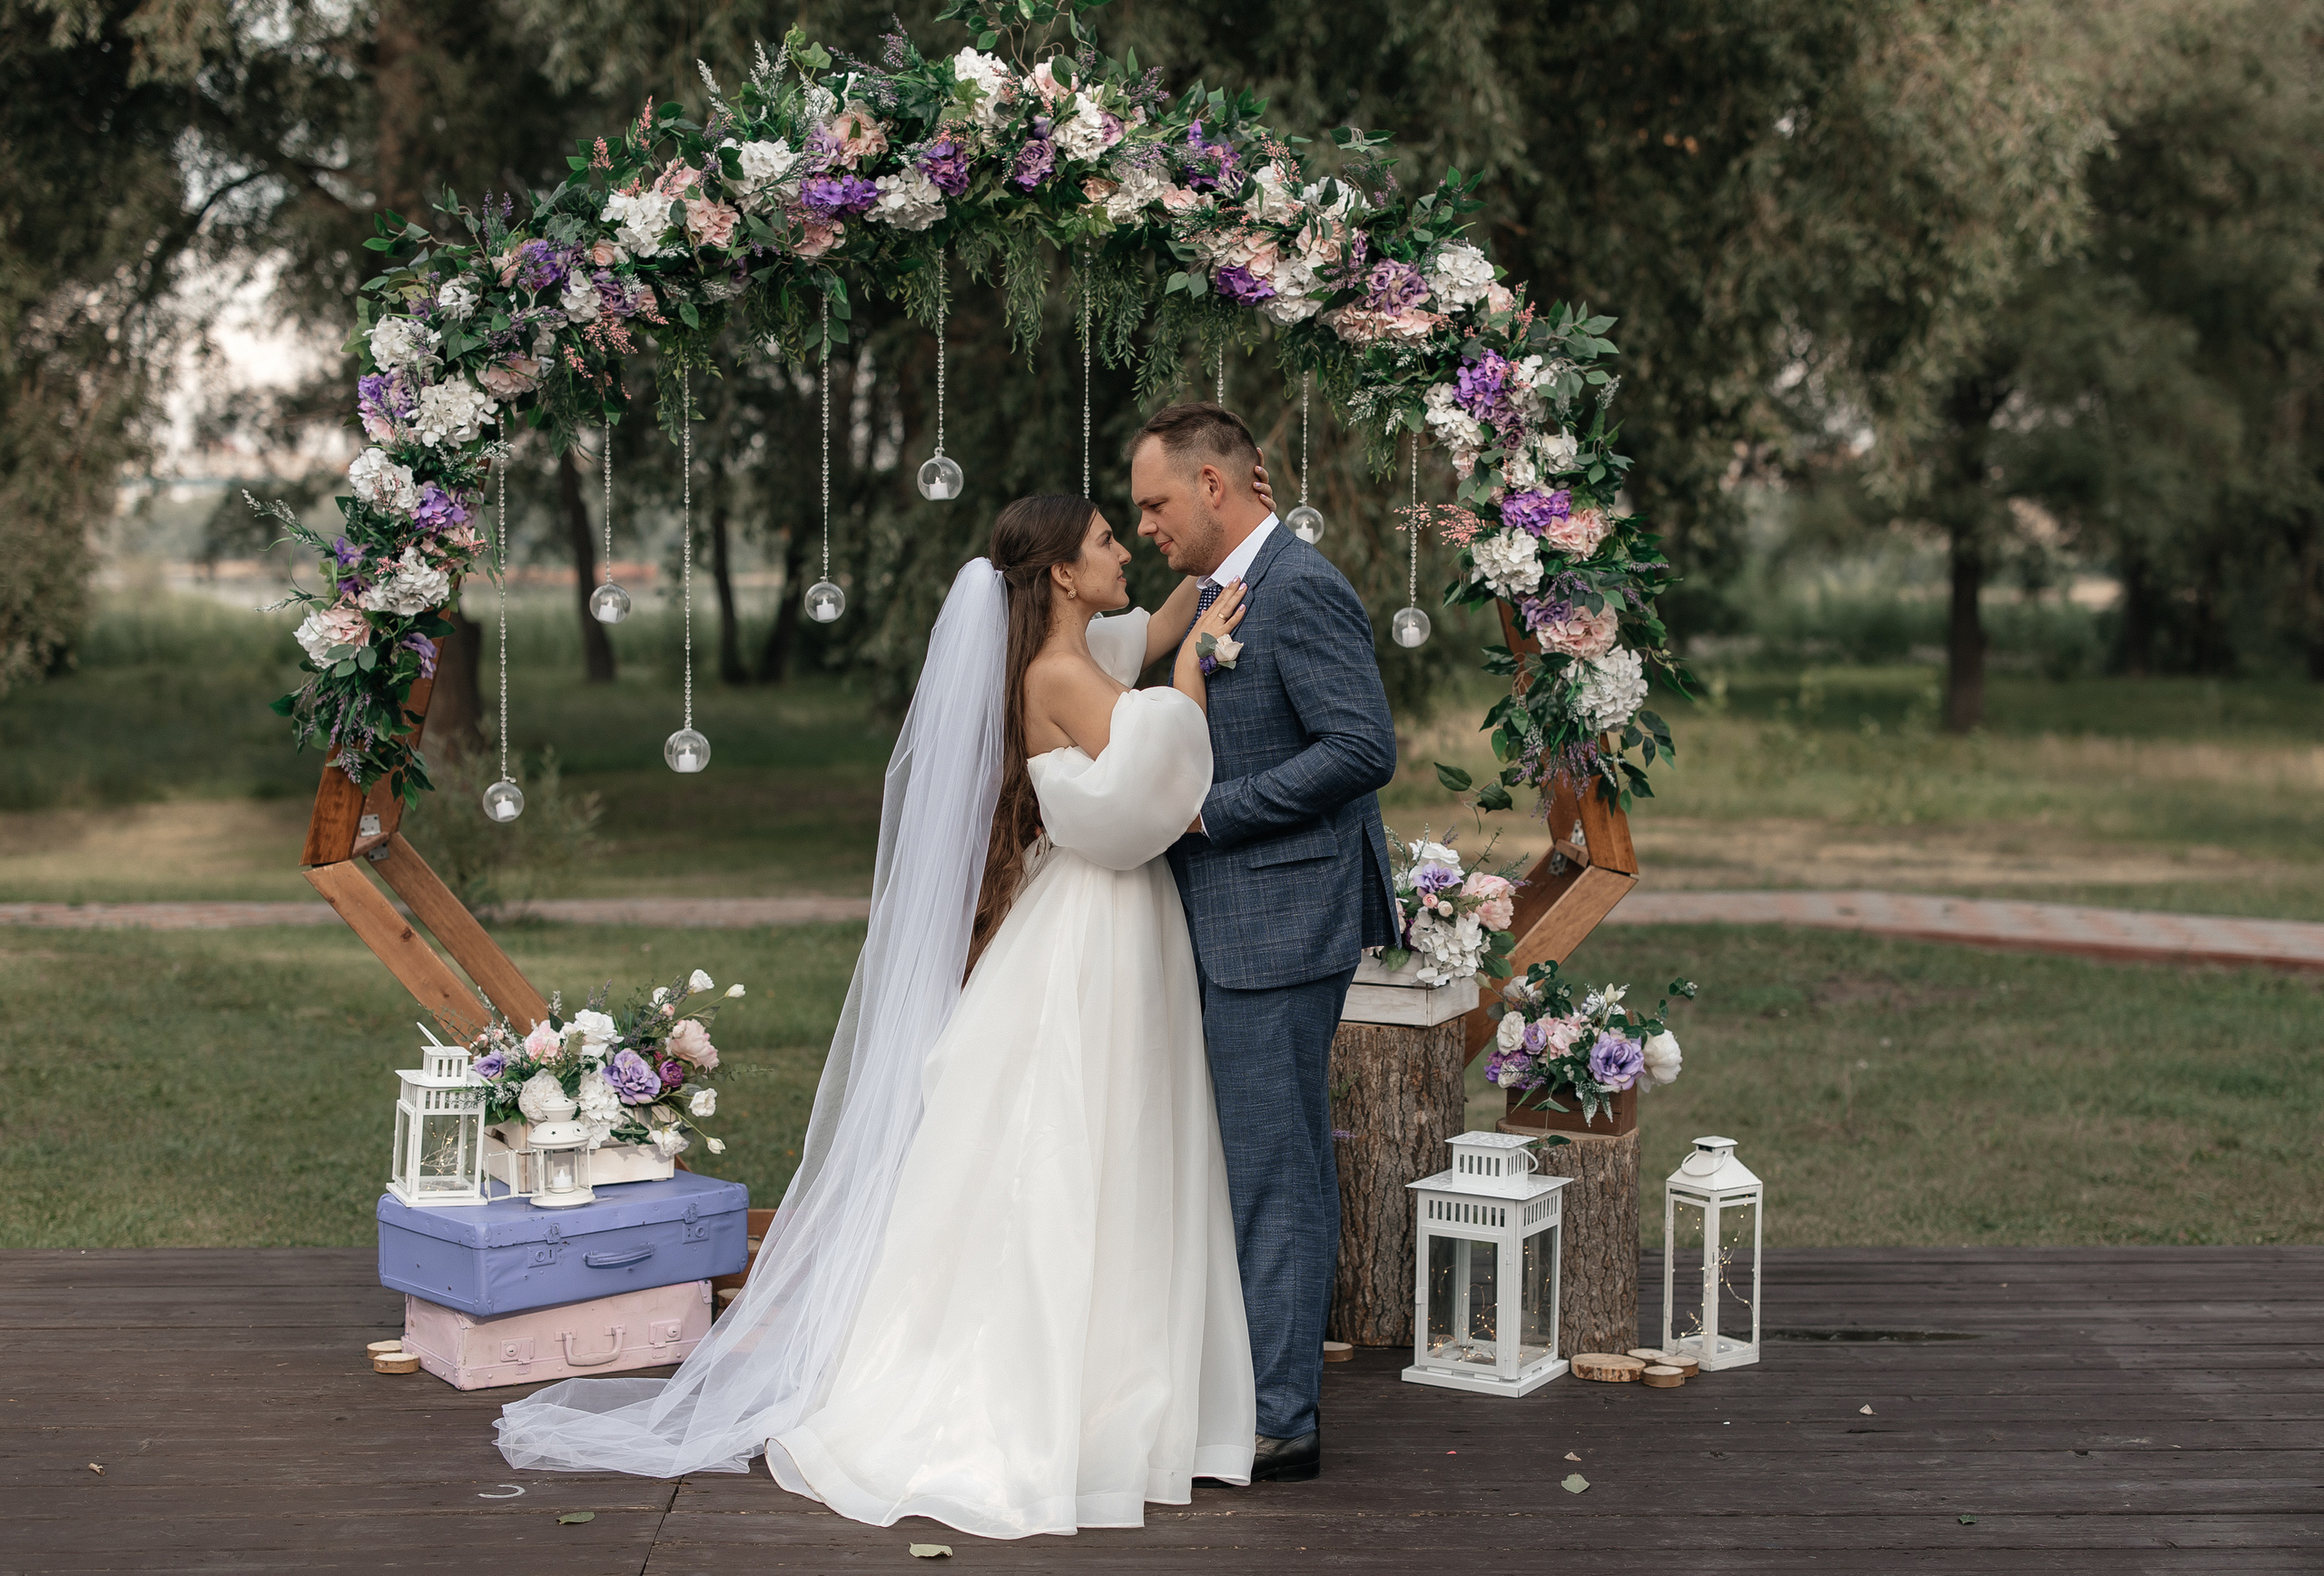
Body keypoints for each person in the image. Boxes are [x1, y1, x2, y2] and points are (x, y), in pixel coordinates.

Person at [495, 473, 1278, 1540]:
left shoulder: (1068, 652)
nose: (1125, 550)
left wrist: (1214, 561)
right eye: (1108, 538)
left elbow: (1143, 629)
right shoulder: (1059, 669)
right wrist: (1191, 671)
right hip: (1096, 929)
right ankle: (1066, 1394)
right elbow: (1156, 775)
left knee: (1088, 1142)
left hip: (1095, 921)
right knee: (1082, 1142)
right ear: (1060, 571)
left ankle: (1103, 1374)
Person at [1129, 402, 1400, 1484]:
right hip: (1234, 920)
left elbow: (1360, 746)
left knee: (1274, 1168)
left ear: (1212, 483)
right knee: (1254, 1160)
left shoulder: (1302, 586)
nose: (1143, 523)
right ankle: (1250, 1386)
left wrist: (1208, 811)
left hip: (1281, 921)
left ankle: (1282, 1418)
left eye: (1154, 502)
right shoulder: (1211, 595)